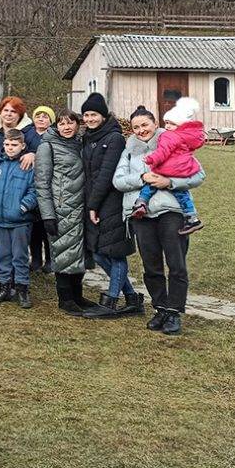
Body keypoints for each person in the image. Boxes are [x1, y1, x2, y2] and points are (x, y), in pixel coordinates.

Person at [114, 105, 205, 336]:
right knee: (151, 265)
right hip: (142, 215)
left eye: (145, 125)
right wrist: (142, 177)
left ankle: (174, 311)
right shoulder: (129, 150)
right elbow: (119, 181)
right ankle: (161, 308)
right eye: (136, 127)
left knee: (176, 263)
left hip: (171, 212)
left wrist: (170, 182)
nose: (141, 130)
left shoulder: (173, 141)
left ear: (155, 124)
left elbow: (198, 175)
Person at [78, 92, 144, 319]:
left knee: (115, 254)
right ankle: (132, 298)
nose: (89, 118)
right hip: (94, 200)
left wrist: (93, 205)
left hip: (112, 202)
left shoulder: (114, 138)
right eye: (86, 114)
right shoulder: (89, 137)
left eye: (94, 114)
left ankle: (111, 301)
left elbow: (106, 174)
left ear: (103, 116)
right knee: (99, 254)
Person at [34, 109, 96, 315]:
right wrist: (48, 214)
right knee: (62, 252)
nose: (66, 127)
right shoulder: (47, 146)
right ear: (56, 126)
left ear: (77, 125)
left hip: (82, 206)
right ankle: (65, 299)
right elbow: (41, 183)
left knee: (79, 252)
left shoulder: (81, 144)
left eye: (70, 123)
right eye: (62, 123)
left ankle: (77, 295)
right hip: (61, 208)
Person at [132, 96, 205, 234]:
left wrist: (151, 159)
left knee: (150, 184)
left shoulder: (169, 136)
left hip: (169, 169)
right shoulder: (185, 137)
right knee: (182, 194)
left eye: (171, 124)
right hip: (182, 169)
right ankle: (192, 218)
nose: (167, 127)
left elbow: (163, 151)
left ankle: (141, 203)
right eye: (166, 123)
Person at [0, 130, 38, 308]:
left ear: (22, 146)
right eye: (7, 144)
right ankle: (4, 286)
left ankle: (22, 289)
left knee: (20, 256)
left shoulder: (28, 165)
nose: (10, 148)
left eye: (14, 145)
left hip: (19, 219)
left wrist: (23, 207)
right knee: (3, 255)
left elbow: (34, 189)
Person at [0, 96, 40, 167]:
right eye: (6, 110)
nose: (8, 114)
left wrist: (33, 154)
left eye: (13, 111)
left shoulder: (29, 133)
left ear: (20, 115)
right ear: (1, 111)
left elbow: (40, 152)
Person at [28, 106, 56, 272]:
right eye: (38, 116)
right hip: (30, 182)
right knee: (34, 226)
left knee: (47, 225)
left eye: (45, 117)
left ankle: (50, 259)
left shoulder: (53, 136)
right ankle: (36, 259)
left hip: (48, 183)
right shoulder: (28, 134)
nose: (41, 119)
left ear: (50, 121)